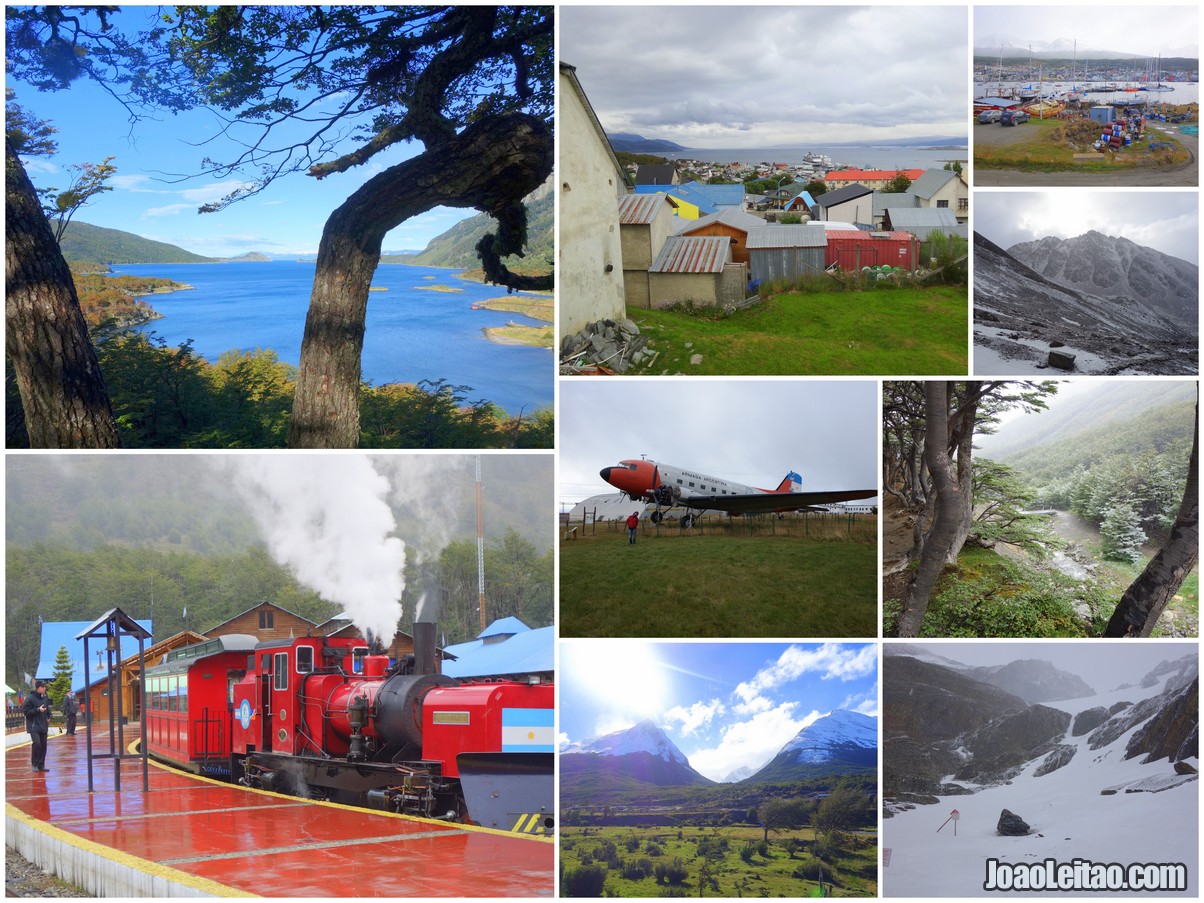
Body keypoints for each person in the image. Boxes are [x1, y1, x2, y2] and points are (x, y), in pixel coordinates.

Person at [23, 681, 51, 772]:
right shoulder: (30, 698)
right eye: (42, 687)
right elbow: (26, 712)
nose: (44, 688)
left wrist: (50, 716)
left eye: (45, 687)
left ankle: (41, 765)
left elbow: (47, 709)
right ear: (38, 687)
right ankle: (34, 764)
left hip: (43, 725)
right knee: (37, 744)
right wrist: (38, 710)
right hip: (34, 726)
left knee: (43, 745)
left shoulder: (45, 698)